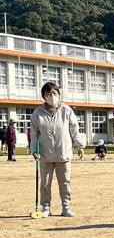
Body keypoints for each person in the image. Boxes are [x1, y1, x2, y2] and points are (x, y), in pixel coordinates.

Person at [30, 82, 85, 217]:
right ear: (44, 96)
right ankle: (45, 208)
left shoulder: (67, 110)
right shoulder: (37, 113)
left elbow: (74, 129)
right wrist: (33, 149)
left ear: (59, 95)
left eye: (55, 93)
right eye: (49, 94)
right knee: (45, 183)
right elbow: (34, 134)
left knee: (65, 182)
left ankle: (66, 207)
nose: (52, 96)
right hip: (45, 155)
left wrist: (79, 145)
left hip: (63, 153)